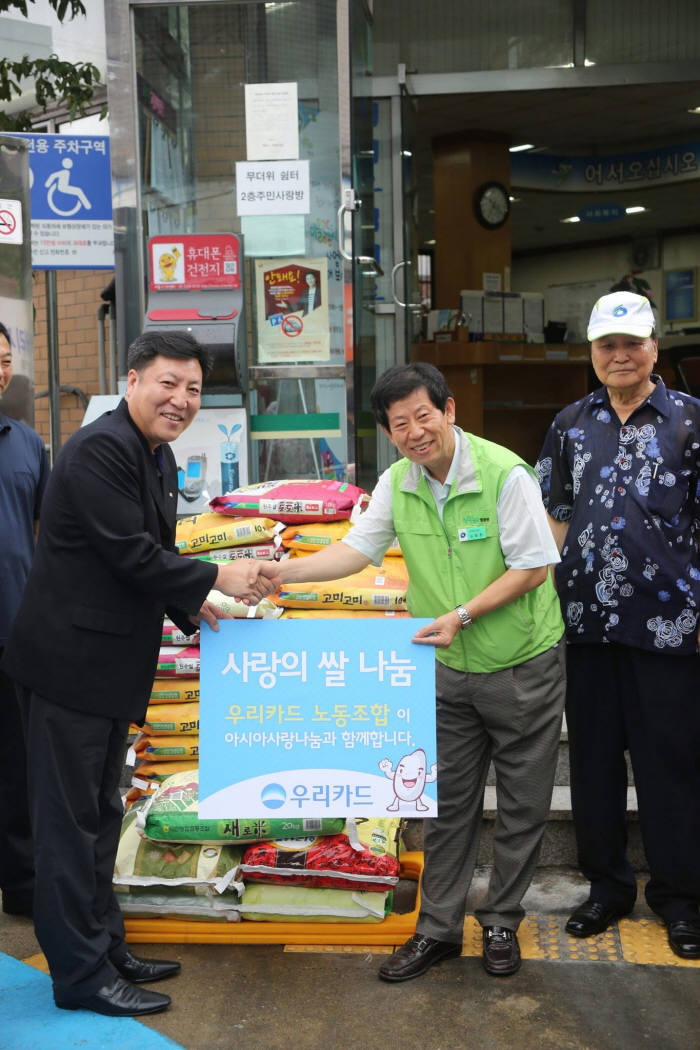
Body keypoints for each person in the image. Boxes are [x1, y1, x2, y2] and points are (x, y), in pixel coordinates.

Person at [1, 331, 281, 1017]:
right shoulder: (99, 450)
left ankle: (107, 947)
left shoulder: (152, 454)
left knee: (100, 816)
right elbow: (131, 554)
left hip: (105, 671)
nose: (181, 400)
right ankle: (80, 975)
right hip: (69, 669)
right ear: (132, 380)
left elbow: (152, 553)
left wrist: (197, 605)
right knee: (68, 828)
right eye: (168, 383)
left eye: (192, 389)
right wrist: (221, 575)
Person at [276, 362, 566, 978]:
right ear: (388, 431)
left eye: (423, 416)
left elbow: (535, 566)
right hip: (446, 666)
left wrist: (461, 613)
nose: (414, 432)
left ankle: (502, 923)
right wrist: (279, 574)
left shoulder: (504, 473)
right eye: (400, 424)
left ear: (450, 410)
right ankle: (437, 929)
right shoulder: (397, 483)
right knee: (444, 805)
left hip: (521, 665)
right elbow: (356, 551)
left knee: (522, 805)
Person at [536, 291, 700, 960]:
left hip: (672, 628)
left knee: (673, 765)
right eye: (608, 344)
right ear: (593, 353)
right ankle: (606, 888)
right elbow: (554, 515)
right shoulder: (571, 424)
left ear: (655, 348)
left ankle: (682, 898)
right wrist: (547, 602)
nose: (620, 355)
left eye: (632, 343)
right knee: (596, 765)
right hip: (586, 627)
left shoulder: (692, 422)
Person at [0, 322, 49, 919]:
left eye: (5, 358)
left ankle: (21, 885)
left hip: (15, 628)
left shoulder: (26, 444)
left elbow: (56, 534)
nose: (0, 369)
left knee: (17, 764)